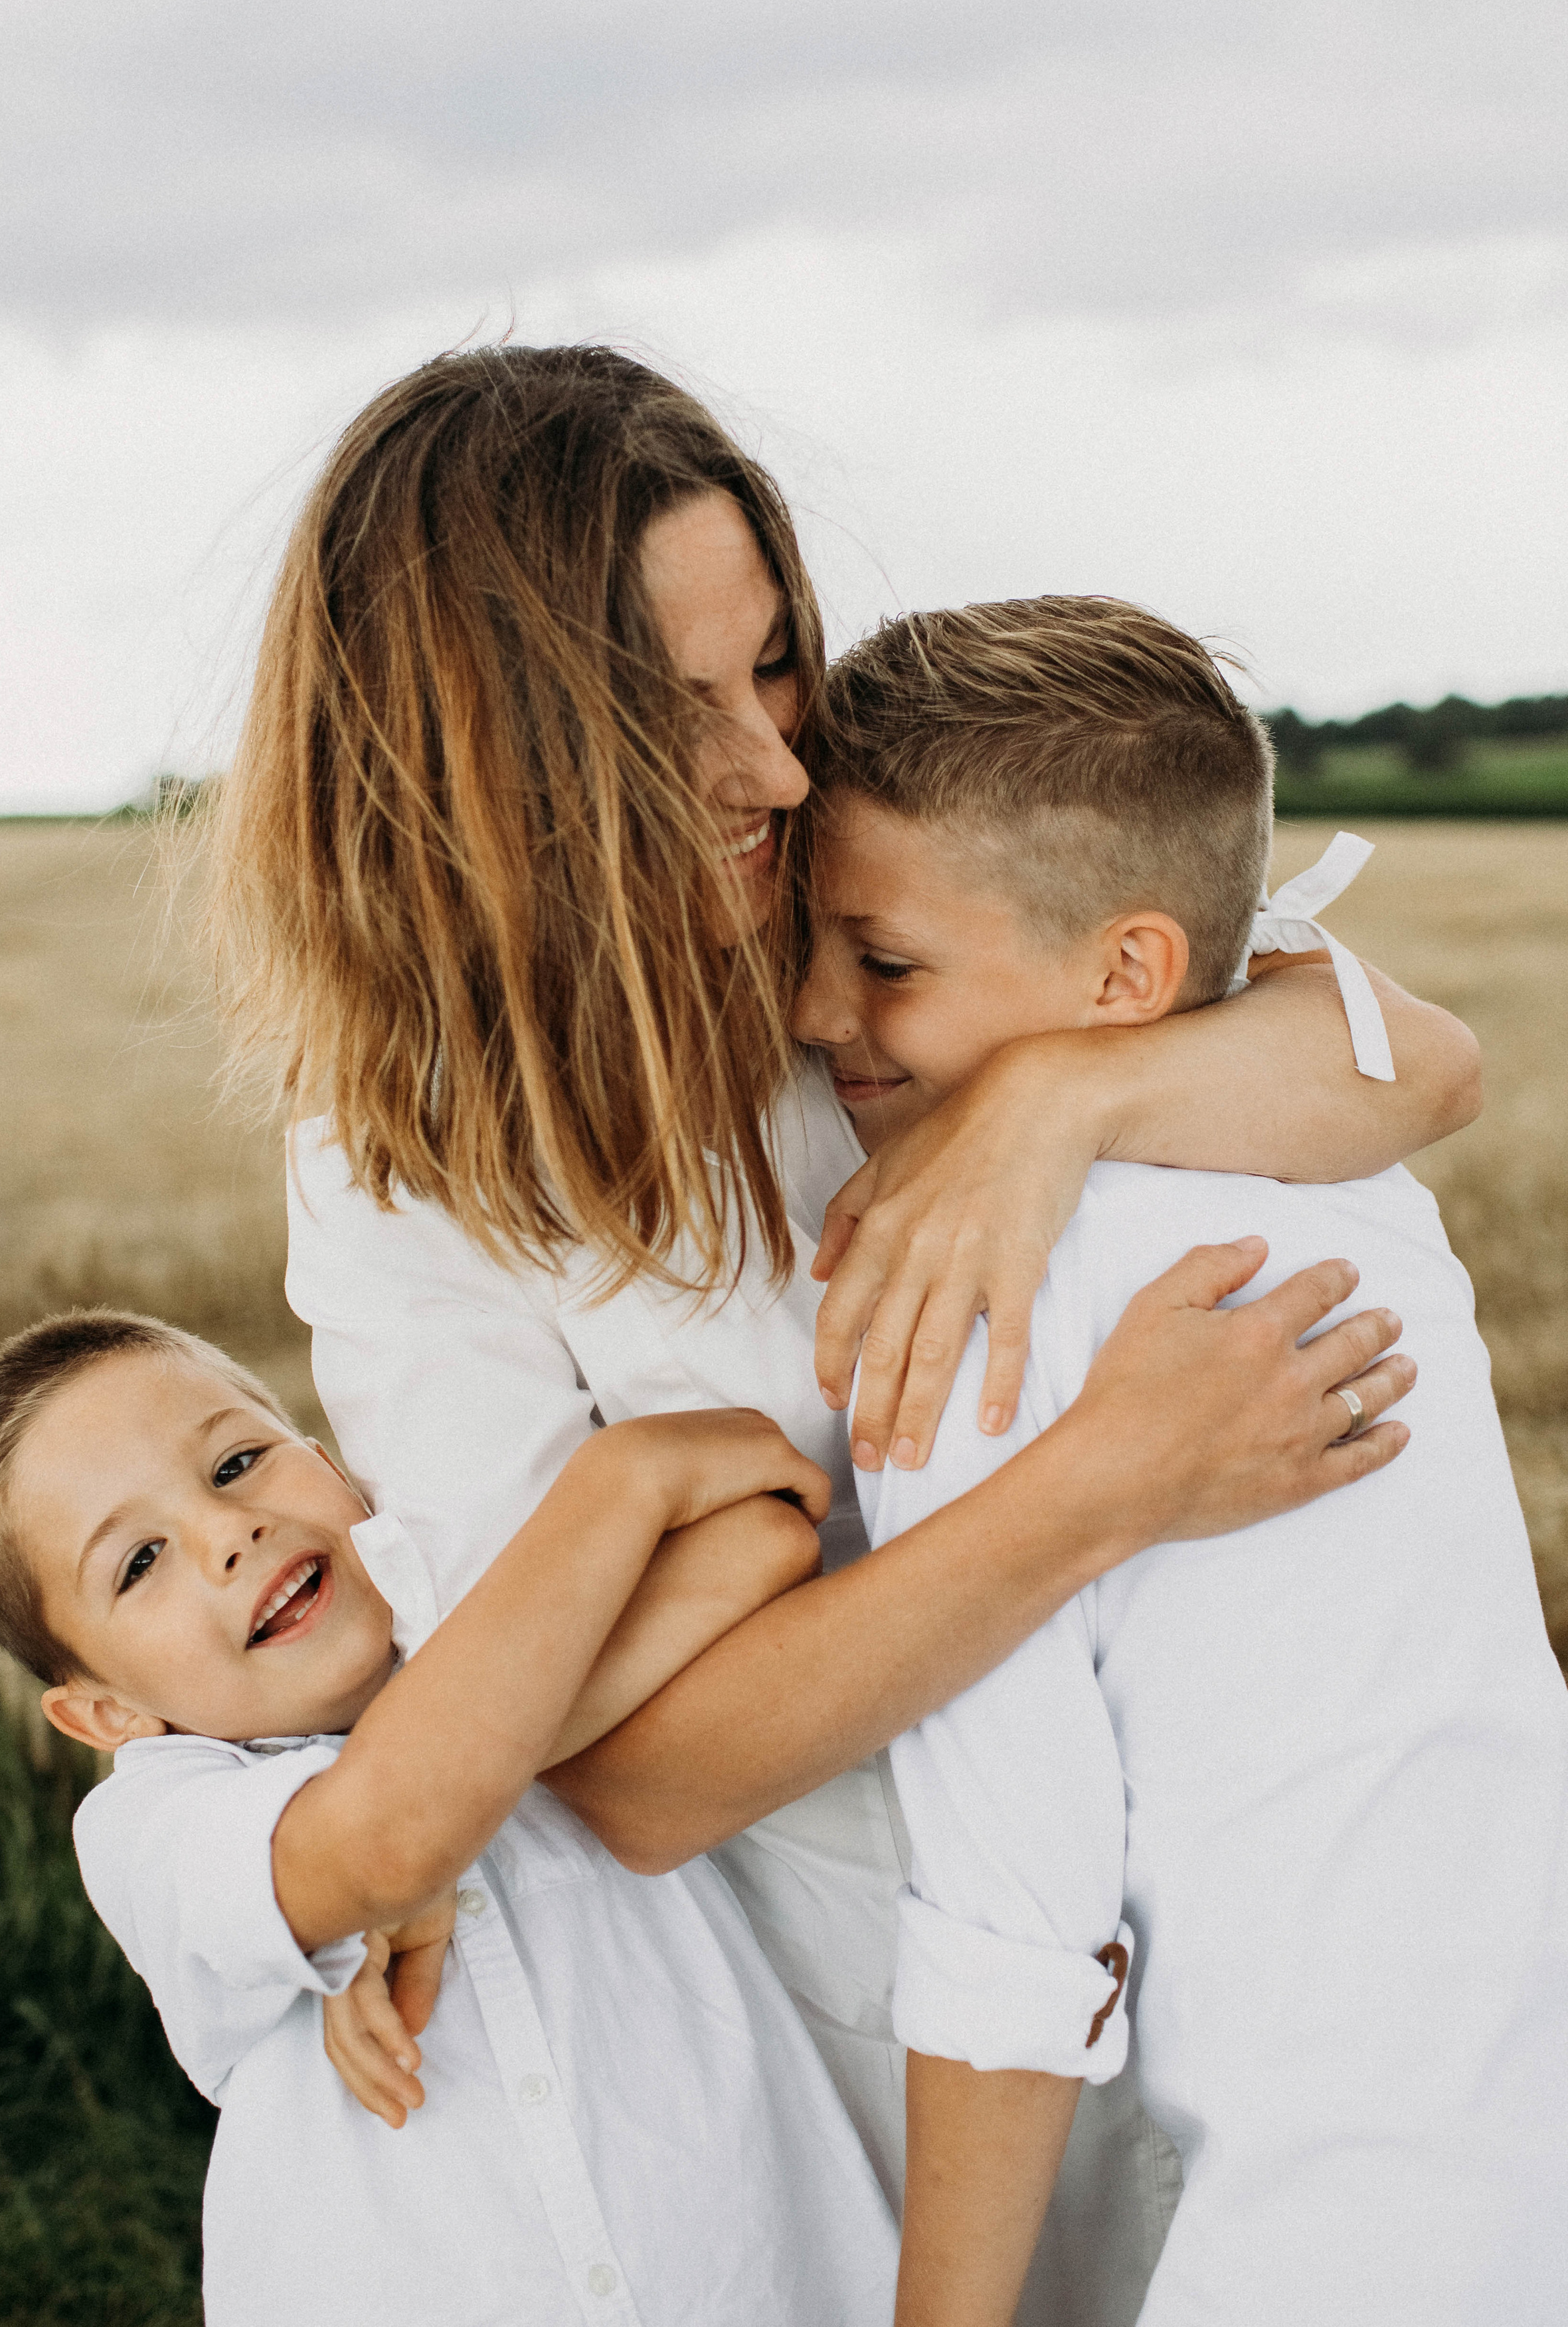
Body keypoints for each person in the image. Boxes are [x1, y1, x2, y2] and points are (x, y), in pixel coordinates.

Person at [209, 343, 1473, 2304]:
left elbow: (1410, 1058)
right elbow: (632, 1770)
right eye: (674, 712)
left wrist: (1064, 1104)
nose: (776, 767)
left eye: (776, 663)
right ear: (484, 761)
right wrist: (1110, 1481)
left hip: (1251, 1904)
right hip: (893, 1999)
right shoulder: (404, 1170)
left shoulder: (869, 909)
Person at [792, 595, 1568, 2327]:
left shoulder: (980, 1297)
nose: (813, 1004)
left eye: (885, 962)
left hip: (1344, 2227)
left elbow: (1013, 1922)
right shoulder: (1351, 1178)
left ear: (1126, 975)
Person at [0, 1310, 901, 2326]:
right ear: (105, 1715)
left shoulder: (494, 1613)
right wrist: (619, 1499)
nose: (228, 1533)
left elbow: (765, 1534)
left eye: (237, 1464)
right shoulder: (156, 1822)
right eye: (138, 1562)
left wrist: (624, 1480)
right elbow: (386, 1841)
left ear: (331, 1466)